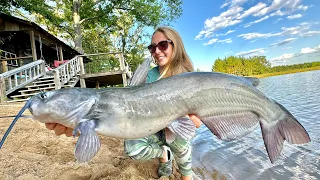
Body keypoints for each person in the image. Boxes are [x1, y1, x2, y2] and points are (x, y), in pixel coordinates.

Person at [45, 26, 202, 180]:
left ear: (176, 44)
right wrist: (86, 122)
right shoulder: (149, 75)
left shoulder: (189, 78)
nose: (157, 51)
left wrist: (192, 120)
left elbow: (196, 123)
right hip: (152, 126)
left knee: (182, 150)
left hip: (176, 128)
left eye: (163, 45)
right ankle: (163, 154)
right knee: (133, 149)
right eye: (152, 48)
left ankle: (186, 174)